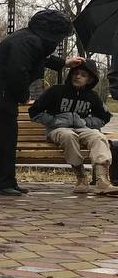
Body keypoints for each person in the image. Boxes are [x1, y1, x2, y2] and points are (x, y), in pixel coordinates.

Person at [0, 9, 82, 197]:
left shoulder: (30, 38)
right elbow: (18, 71)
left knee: (7, 137)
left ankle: (7, 182)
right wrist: (23, 95)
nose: (60, 40)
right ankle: (1, 184)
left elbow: (39, 58)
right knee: (4, 139)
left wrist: (64, 63)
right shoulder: (28, 41)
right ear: (52, 32)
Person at [28, 60, 116, 195]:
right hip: (58, 130)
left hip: (83, 129)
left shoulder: (92, 96)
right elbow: (34, 112)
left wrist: (85, 122)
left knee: (99, 137)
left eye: (83, 75)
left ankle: (102, 180)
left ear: (90, 79)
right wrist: (54, 121)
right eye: (75, 73)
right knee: (69, 135)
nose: (78, 76)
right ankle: (81, 177)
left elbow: (104, 117)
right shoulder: (56, 91)